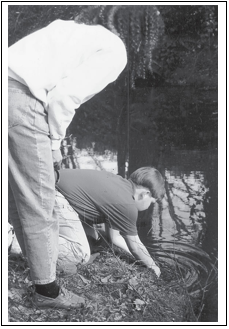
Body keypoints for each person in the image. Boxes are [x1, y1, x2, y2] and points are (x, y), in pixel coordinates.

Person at [8, 5, 162, 309]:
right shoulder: (115, 50)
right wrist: (54, 142)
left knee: (16, 196)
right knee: (41, 205)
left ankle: (24, 256)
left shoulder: (70, 28)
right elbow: (64, 97)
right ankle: (47, 293)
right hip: (22, 104)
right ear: (140, 35)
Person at [54, 167, 165, 277]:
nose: (149, 206)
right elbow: (135, 246)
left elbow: (115, 237)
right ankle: (38, 245)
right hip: (52, 192)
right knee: (80, 253)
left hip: (52, 183)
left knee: (91, 239)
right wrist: (153, 266)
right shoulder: (127, 205)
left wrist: (141, 258)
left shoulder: (120, 187)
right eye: (151, 202)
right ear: (145, 194)